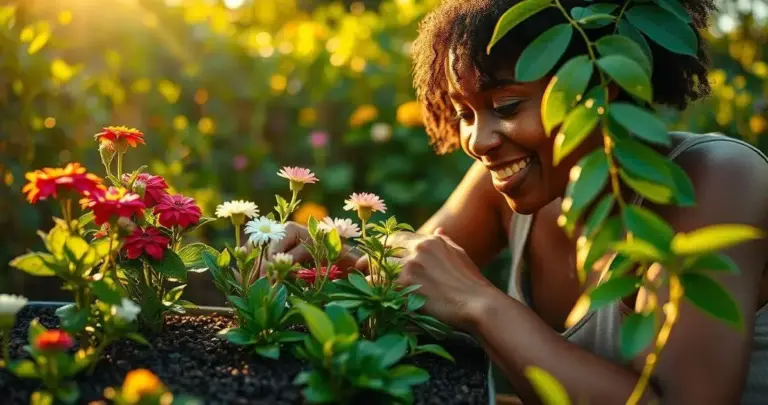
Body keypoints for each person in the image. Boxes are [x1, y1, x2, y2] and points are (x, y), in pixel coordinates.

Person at [269, 0, 768, 403]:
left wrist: (481, 304)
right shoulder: (510, 183)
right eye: (465, 112)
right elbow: (406, 272)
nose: (478, 140)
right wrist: (332, 256)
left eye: (506, 106)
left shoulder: (714, 180)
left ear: (601, 87)